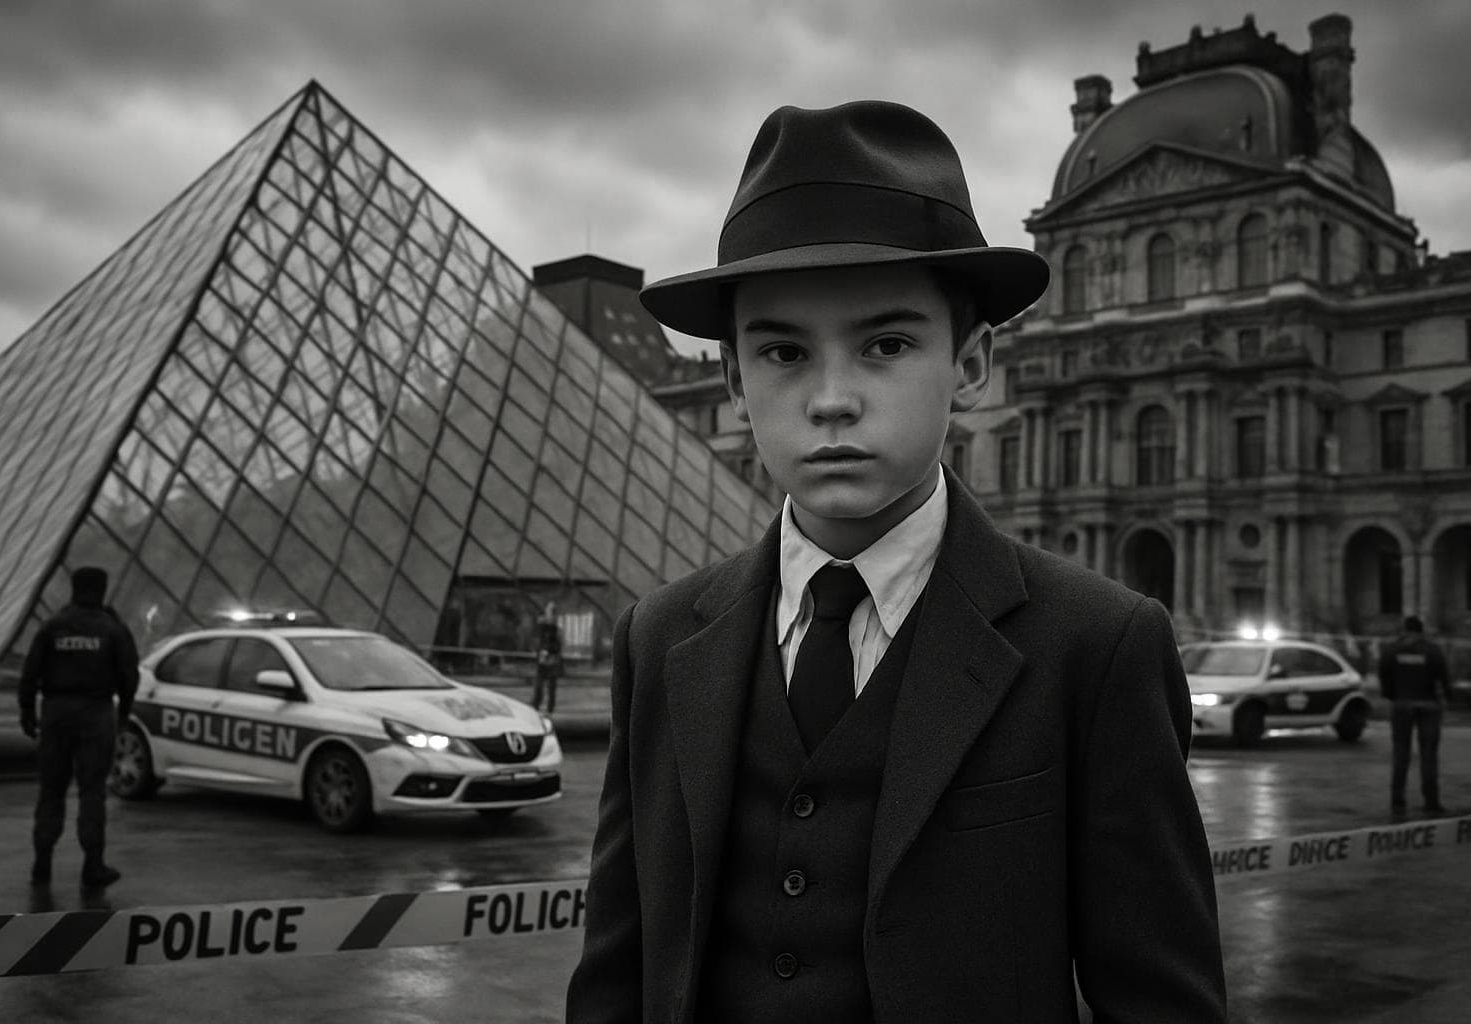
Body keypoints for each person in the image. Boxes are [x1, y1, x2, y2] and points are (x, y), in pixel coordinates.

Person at [566, 101, 1225, 1022]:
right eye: (783, 351)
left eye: (886, 344)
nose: (832, 399)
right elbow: (615, 975)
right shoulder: (658, 636)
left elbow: (1162, 1003)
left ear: (970, 362)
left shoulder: (1099, 647)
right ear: (731, 379)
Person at [18, 566, 140, 888]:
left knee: (51, 790)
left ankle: (42, 863)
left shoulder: (53, 626)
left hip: (56, 713)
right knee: (92, 792)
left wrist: (27, 711)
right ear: (102, 589)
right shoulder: (112, 629)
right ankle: (93, 865)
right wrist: (124, 714)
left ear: (74, 588)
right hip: (96, 715)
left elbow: (30, 672)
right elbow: (130, 677)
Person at [1379, 615, 1450, 815]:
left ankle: (1398, 801)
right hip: (1429, 706)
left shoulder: (1392, 650)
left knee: (1401, 753)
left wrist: (1392, 695)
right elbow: (1444, 676)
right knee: (1429, 755)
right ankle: (1432, 801)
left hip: (1401, 705)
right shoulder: (1433, 650)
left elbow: (1383, 675)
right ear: (1421, 630)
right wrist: (1448, 697)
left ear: (1405, 629)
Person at [532, 601, 563, 713]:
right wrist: (541, 651)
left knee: (551, 688)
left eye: (553, 612)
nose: (551, 615)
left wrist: (549, 650)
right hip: (543, 660)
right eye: (550, 611)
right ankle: (535, 707)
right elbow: (538, 642)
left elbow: (558, 646)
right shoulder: (542, 626)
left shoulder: (556, 629)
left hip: (551, 660)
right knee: (539, 687)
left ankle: (550, 709)